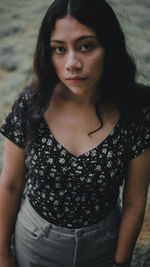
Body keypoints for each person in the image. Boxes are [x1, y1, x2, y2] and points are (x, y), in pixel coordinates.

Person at [0, 0, 150, 266]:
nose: (72, 63)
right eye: (59, 49)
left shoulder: (135, 111)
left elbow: (135, 200)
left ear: (109, 48)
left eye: (86, 46)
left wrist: (121, 261)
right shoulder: (31, 104)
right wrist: (3, 254)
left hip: (105, 244)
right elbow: (11, 185)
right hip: (35, 243)